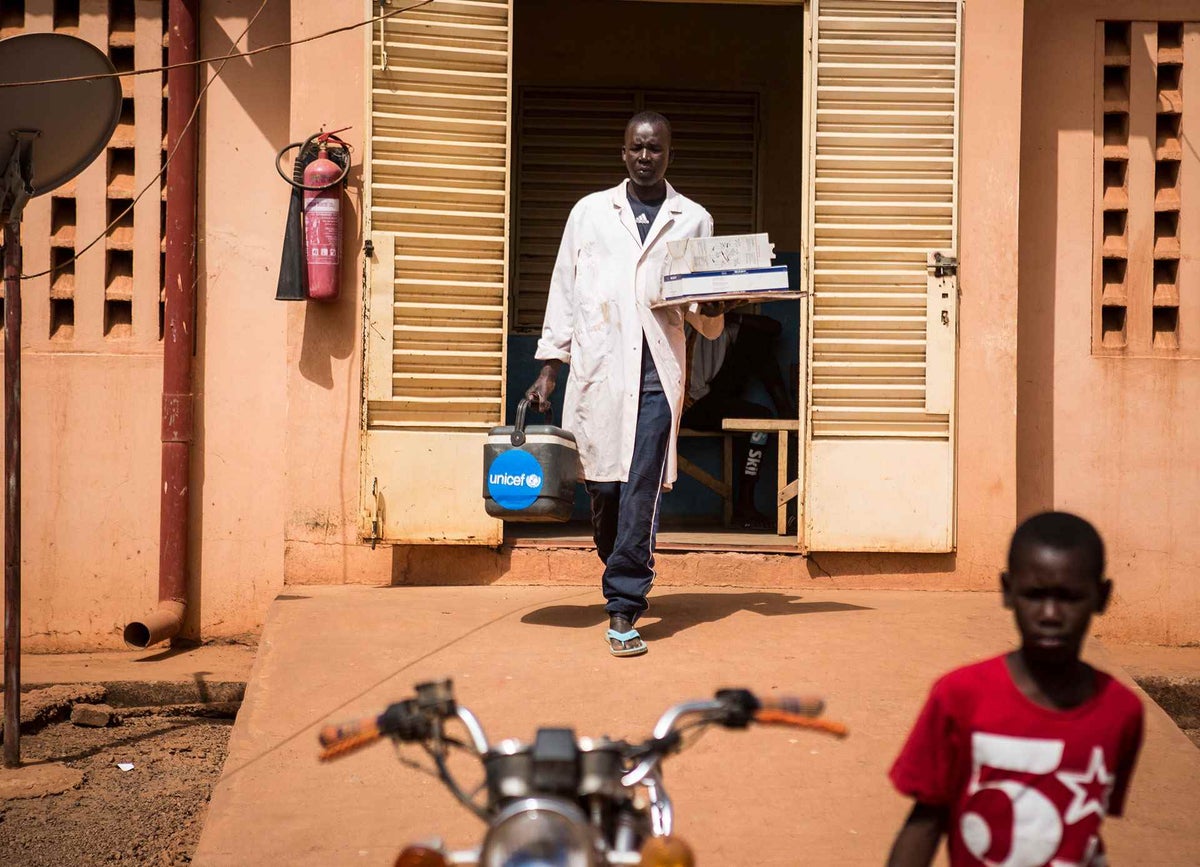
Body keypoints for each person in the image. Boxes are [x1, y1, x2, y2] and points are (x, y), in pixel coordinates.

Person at [525, 111, 732, 658]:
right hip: (597, 371)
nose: (646, 157)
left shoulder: (694, 220)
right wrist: (550, 368)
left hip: (657, 373)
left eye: (656, 149)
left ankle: (623, 605)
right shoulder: (589, 213)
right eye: (637, 148)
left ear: (669, 154)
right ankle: (617, 554)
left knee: (641, 488)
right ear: (623, 153)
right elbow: (563, 291)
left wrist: (715, 305)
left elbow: (703, 316)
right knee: (603, 487)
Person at [887, 511, 1144, 867]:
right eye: (1034, 595)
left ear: (1101, 597)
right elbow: (925, 822)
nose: (1051, 614)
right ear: (1008, 592)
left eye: (1070, 597)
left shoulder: (1121, 711)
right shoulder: (959, 696)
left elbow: (1084, 827)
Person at [682, 311, 795, 531]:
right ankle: (745, 506)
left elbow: (773, 328)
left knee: (757, 340)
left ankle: (786, 411)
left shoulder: (722, 326)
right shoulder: (681, 322)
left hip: (709, 394)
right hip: (686, 405)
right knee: (760, 420)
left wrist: (732, 315)